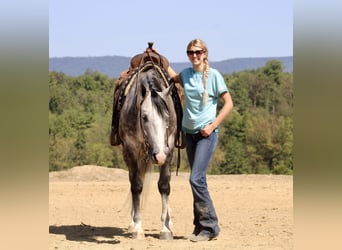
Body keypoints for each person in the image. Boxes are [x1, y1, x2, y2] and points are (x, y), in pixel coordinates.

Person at [167, 39, 234, 242]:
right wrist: (159, 57)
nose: (194, 55)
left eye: (197, 52)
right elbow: (172, 76)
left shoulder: (214, 76)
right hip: (189, 133)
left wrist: (212, 126)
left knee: (195, 179)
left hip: (207, 134)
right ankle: (199, 227)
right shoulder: (186, 74)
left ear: (205, 53)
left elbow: (229, 103)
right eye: (190, 52)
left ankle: (210, 226)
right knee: (198, 180)